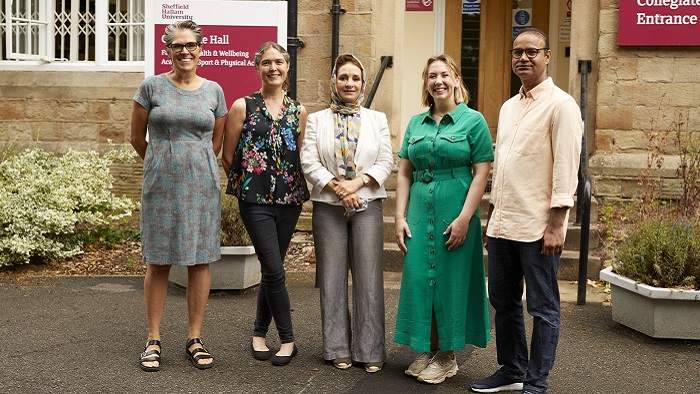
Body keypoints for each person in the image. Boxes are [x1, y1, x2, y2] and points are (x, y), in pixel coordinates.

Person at [470, 28, 583, 394]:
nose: (523, 57)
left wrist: (557, 224)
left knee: (543, 308)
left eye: (532, 51)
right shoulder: (508, 106)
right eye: (517, 51)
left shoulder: (562, 106)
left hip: (538, 228)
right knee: (502, 301)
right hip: (504, 224)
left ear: (548, 56)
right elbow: (503, 167)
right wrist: (492, 216)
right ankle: (512, 369)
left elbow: (566, 169)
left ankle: (536, 382)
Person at [130, 20, 227, 371]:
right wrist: (163, 161)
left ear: (201, 49)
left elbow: (214, 143)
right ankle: (153, 339)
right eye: (177, 46)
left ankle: (194, 338)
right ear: (167, 50)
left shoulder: (214, 91)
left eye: (191, 45)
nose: (184, 51)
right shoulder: (150, 87)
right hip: (161, 184)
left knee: (200, 259)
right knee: (159, 259)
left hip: (202, 185)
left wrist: (192, 160)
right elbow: (136, 138)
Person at [394, 54, 493, 384]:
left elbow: (481, 173)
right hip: (421, 210)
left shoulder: (473, 121)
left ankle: (448, 356)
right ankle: (427, 347)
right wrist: (399, 216)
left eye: (444, 74)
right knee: (420, 276)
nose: (438, 81)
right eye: (431, 76)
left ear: (455, 79)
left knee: (450, 280)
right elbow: (404, 172)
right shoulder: (415, 124)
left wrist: (466, 217)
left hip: (456, 206)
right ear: (426, 83)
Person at [300, 54, 394, 373]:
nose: (349, 83)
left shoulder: (376, 119)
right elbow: (309, 161)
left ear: (363, 84)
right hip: (328, 205)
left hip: (367, 203)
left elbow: (385, 161)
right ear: (334, 81)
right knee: (332, 277)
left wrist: (355, 184)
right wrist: (338, 189)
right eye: (343, 78)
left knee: (369, 278)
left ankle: (370, 350)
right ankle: (337, 347)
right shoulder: (317, 120)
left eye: (355, 78)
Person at [222, 41, 309, 367]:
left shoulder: (298, 111)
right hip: (254, 199)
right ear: (258, 67)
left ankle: (259, 332)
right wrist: (249, 183)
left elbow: (298, 154)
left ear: (287, 68)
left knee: (272, 271)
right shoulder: (242, 106)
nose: (273, 68)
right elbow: (228, 154)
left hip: (290, 200)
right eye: (267, 63)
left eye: (279, 63)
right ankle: (288, 340)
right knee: (274, 268)